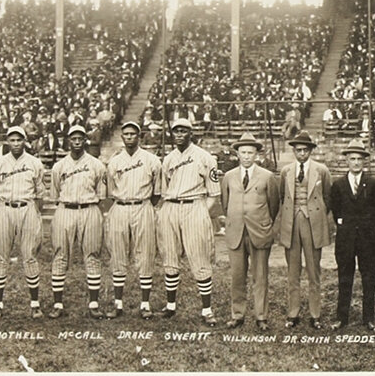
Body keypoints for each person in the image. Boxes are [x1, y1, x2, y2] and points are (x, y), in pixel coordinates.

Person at [155, 121, 223, 320]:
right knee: (170, 256)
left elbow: (214, 194)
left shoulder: (205, 157)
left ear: (191, 133)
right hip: (171, 207)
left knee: (199, 256)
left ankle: (206, 310)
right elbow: (165, 189)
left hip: (195, 205)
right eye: (175, 131)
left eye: (183, 130)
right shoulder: (168, 159)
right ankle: (170, 306)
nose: (179, 134)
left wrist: (201, 211)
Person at [218, 138, 284, 329]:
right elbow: (225, 203)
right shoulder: (229, 176)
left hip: (259, 231)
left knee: (260, 275)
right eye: (243, 153)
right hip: (236, 232)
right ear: (237, 154)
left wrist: (263, 223)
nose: (247, 156)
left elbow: (273, 205)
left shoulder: (267, 176)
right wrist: (235, 219)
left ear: (257, 155)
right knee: (237, 276)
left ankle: (261, 316)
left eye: (250, 153)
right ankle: (237, 315)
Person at [271, 133, 333, 329]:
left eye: (305, 150)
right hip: (291, 223)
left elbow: (328, 197)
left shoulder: (321, 171)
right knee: (293, 270)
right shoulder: (286, 171)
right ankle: (293, 313)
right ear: (294, 151)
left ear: (311, 151)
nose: (302, 153)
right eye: (298, 150)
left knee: (314, 271)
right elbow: (282, 196)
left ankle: (315, 314)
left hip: (312, 222)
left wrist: (316, 215)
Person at [48, 124, 108, 317]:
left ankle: (93, 304)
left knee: (92, 255)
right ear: (68, 141)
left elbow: (101, 194)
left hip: (89, 209)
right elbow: (56, 192)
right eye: (73, 138)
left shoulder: (96, 165)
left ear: (85, 140)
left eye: (80, 138)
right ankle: (57, 305)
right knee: (60, 255)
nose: (76, 142)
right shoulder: (59, 166)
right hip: (65, 209)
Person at [325, 143, 375, 329]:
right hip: (346, 238)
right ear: (346, 160)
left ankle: (368, 318)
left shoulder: (373, 183)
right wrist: (346, 225)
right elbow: (336, 211)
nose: (356, 162)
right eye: (352, 159)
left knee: (369, 277)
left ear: (364, 161)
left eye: (359, 159)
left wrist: (367, 225)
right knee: (345, 277)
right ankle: (341, 317)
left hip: (368, 238)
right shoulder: (338, 184)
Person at [0, 127, 45, 317]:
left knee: (29, 255)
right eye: (12, 140)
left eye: (19, 139)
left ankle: (35, 304)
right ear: (7, 142)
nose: (16, 143)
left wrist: (34, 212)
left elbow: (40, 193)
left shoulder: (35, 163)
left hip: (27, 207)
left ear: (24, 141)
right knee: (1, 256)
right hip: (4, 208)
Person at [101, 121, 160, 314]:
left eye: (133, 134)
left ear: (139, 136)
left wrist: (144, 205)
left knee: (145, 253)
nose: (129, 137)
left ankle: (145, 304)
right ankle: (118, 304)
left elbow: (156, 192)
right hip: (120, 206)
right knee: (118, 253)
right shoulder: (115, 161)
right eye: (125, 134)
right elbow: (109, 191)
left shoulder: (152, 160)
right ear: (122, 137)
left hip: (143, 206)